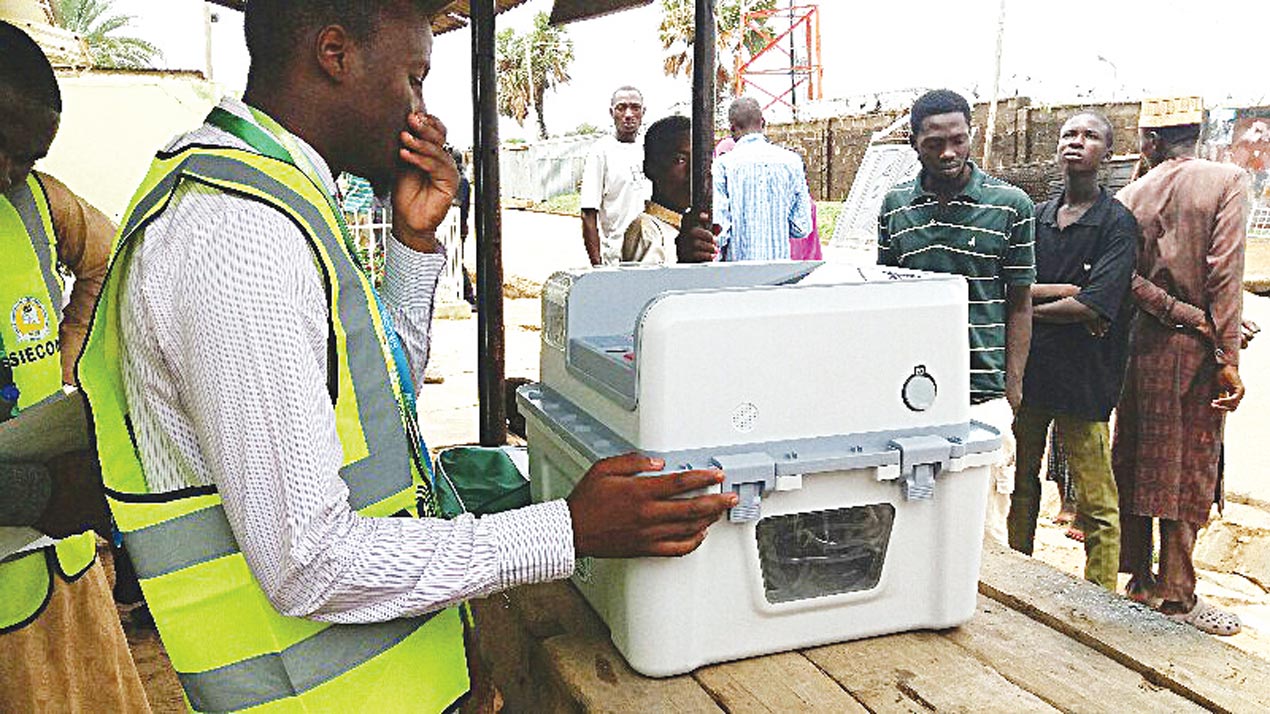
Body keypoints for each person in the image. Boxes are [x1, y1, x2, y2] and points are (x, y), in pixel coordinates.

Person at [75, 3, 737, 711]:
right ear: (336, 54)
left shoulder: (282, 198)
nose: (424, 114)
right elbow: (308, 562)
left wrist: (413, 245)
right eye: (413, 78)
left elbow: (378, 399)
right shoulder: (239, 236)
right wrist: (568, 528)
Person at [0, 21, 150, 712]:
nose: (9, 173)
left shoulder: (32, 202)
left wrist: (70, 363)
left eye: (27, 157)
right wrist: (44, 493)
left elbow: (108, 256)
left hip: (61, 581)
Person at [1113, 98, 1248, 635]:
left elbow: (1124, 279)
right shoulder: (1228, 180)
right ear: (1196, 133)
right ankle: (1177, 594)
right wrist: (1225, 352)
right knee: (1190, 466)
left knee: (1144, 457)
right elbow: (1225, 276)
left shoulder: (1128, 195)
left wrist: (1174, 311)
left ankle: (1140, 581)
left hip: (1142, 347)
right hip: (1199, 351)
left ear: (1149, 141)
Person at [877, 89, 1035, 544]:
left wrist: (1013, 386)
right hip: (912, 394)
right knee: (914, 523)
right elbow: (889, 300)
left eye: (958, 140)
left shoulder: (1011, 206)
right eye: (934, 143)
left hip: (983, 392)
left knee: (984, 533)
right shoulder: (894, 206)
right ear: (913, 143)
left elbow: (1020, 301)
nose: (948, 152)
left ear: (971, 136)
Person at [1007, 112, 1137, 591]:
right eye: (1069, 135)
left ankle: (1098, 597)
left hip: (1086, 375)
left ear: (1106, 152)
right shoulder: (1037, 217)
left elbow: (1092, 304)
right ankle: (1016, 579)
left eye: (1090, 137)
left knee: (1097, 499)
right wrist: (1057, 291)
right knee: (1020, 484)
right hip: (1031, 370)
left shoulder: (1117, 224)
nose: (1077, 143)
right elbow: (1012, 286)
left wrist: (1027, 307)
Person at [713, 97, 812, 261]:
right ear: (763, 123)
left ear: (732, 129)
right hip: (779, 273)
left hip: (736, 274)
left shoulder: (723, 165)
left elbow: (720, 232)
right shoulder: (792, 162)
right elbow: (802, 227)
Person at [580, 85, 651, 265]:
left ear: (643, 112)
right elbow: (588, 213)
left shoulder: (652, 148)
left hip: (653, 254)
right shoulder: (600, 152)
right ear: (612, 112)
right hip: (618, 259)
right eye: (621, 108)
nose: (628, 114)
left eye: (635, 108)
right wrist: (598, 267)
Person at [622, 115, 690, 263]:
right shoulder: (647, 230)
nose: (693, 171)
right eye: (680, 160)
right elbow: (647, 285)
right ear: (650, 167)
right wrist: (686, 263)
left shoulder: (685, 225)